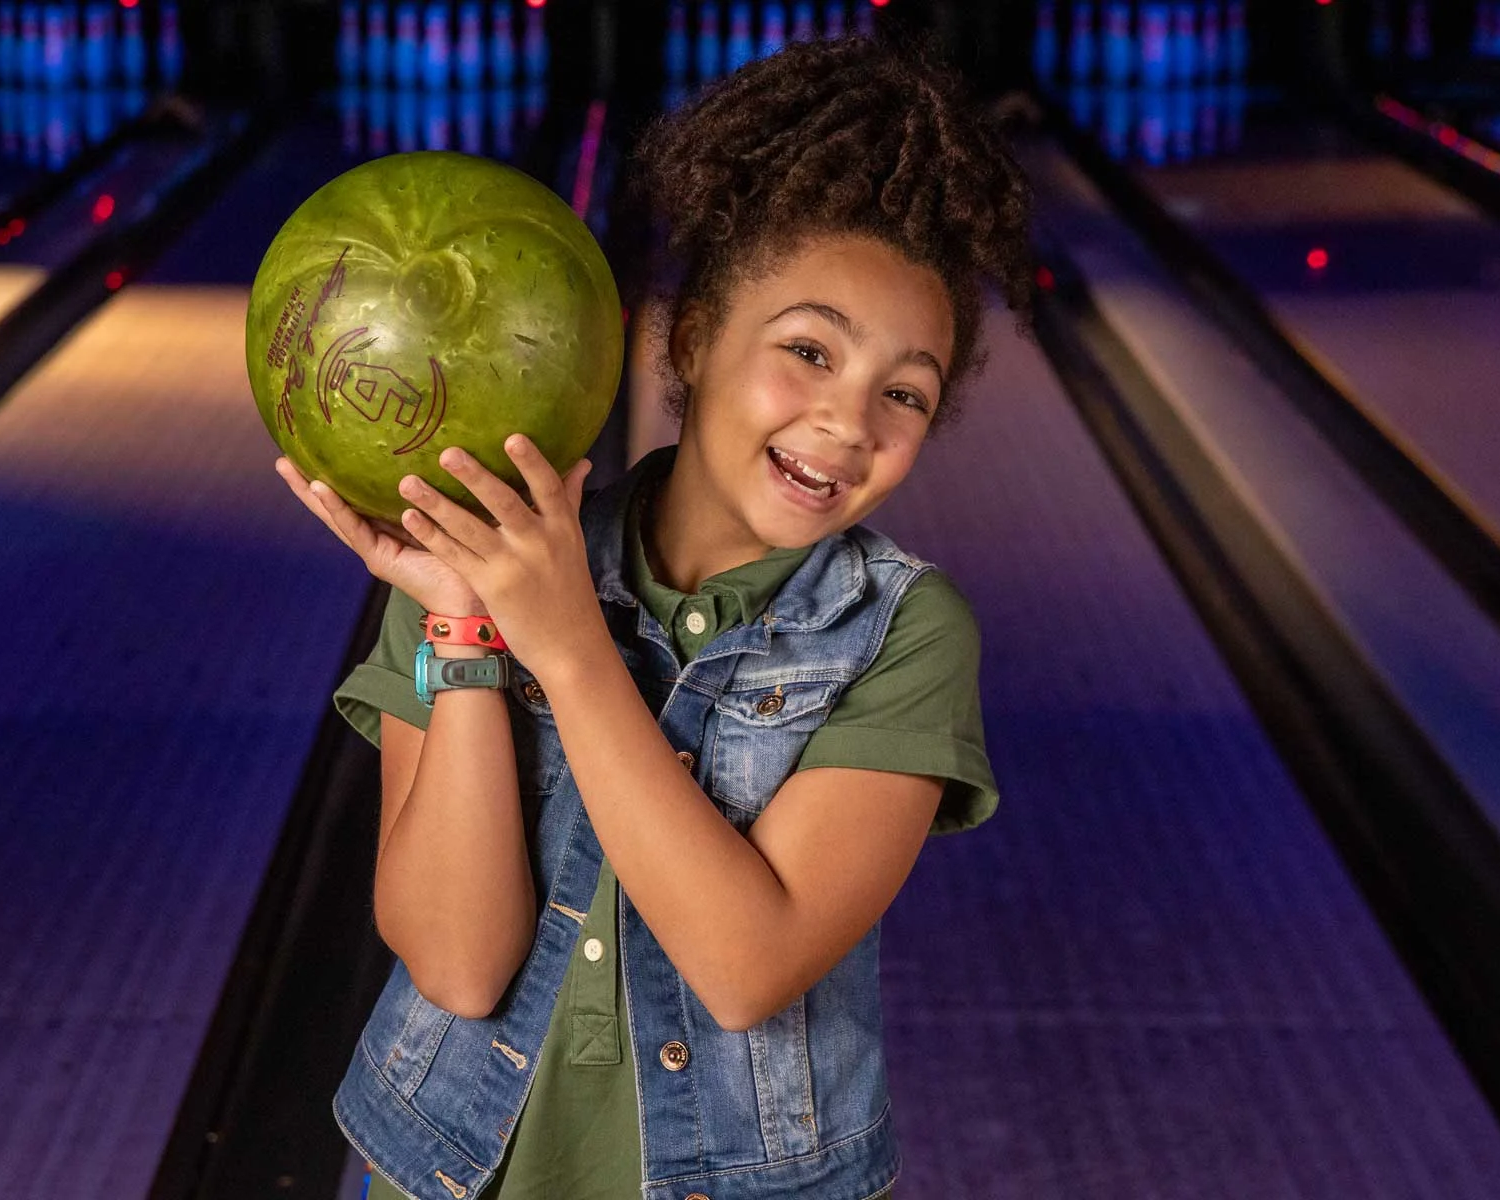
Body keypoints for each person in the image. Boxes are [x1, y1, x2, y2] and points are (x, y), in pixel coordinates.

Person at [275, 34, 1033, 1200]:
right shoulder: (475, 570)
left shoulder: (907, 635)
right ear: (689, 342)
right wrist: (467, 629)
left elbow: (744, 967)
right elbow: (458, 966)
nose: (846, 421)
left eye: (904, 392)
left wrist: (571, 649)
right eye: (808, 351)